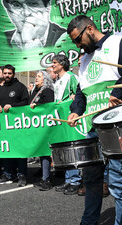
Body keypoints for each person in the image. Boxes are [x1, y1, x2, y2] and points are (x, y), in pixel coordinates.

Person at [67, 15, 122, 225]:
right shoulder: (85, 59)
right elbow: (82, 92)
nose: (77, 45)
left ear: (89, 29)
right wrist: (76, 110)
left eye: (78, 39)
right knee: (91, 180)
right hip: (92, 129)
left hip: (117, 128)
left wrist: (119, 91)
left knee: (119, 182)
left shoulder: (119, 43)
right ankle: (88, 222)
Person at [0, 64, 30, 186]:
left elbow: (25, 102)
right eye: (5, 73)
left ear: (13, 74)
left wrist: (13, 107)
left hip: (17, 126)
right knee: (7, 150)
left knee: (20, 151)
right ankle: (8, 174)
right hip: (3, 126)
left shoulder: (20, 87)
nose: (7, 75)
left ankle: (22, 175)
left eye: (9, 73)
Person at [1, 0, 66, 49]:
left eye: (32, 3)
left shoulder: (67, 38)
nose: (26, 12)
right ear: (8, 11)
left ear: (48, 6)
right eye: (16, 5)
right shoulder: (1, 39)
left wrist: (32, 43)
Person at [51, 54, 83, 195]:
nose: (53, 65)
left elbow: (79, 94)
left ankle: (75, 180)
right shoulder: (58, 81)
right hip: (60, 118)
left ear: (62, 64)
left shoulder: (71, 78)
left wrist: (73, 98)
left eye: (55, 63)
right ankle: (68, 179)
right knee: (64, 149)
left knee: (71, 148)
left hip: (69, 117)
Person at [29, 71, 55, 191]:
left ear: (45, 79)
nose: (36, 78)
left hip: (45, 126)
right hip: (36, 127)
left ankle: (46, 180)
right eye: (36, 76)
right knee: (41, 151)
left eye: (39, 76)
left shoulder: (47, 91)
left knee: (45, 152)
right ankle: (44, 176)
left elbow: (49, 106)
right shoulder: (35, 91)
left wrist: (37, 105)